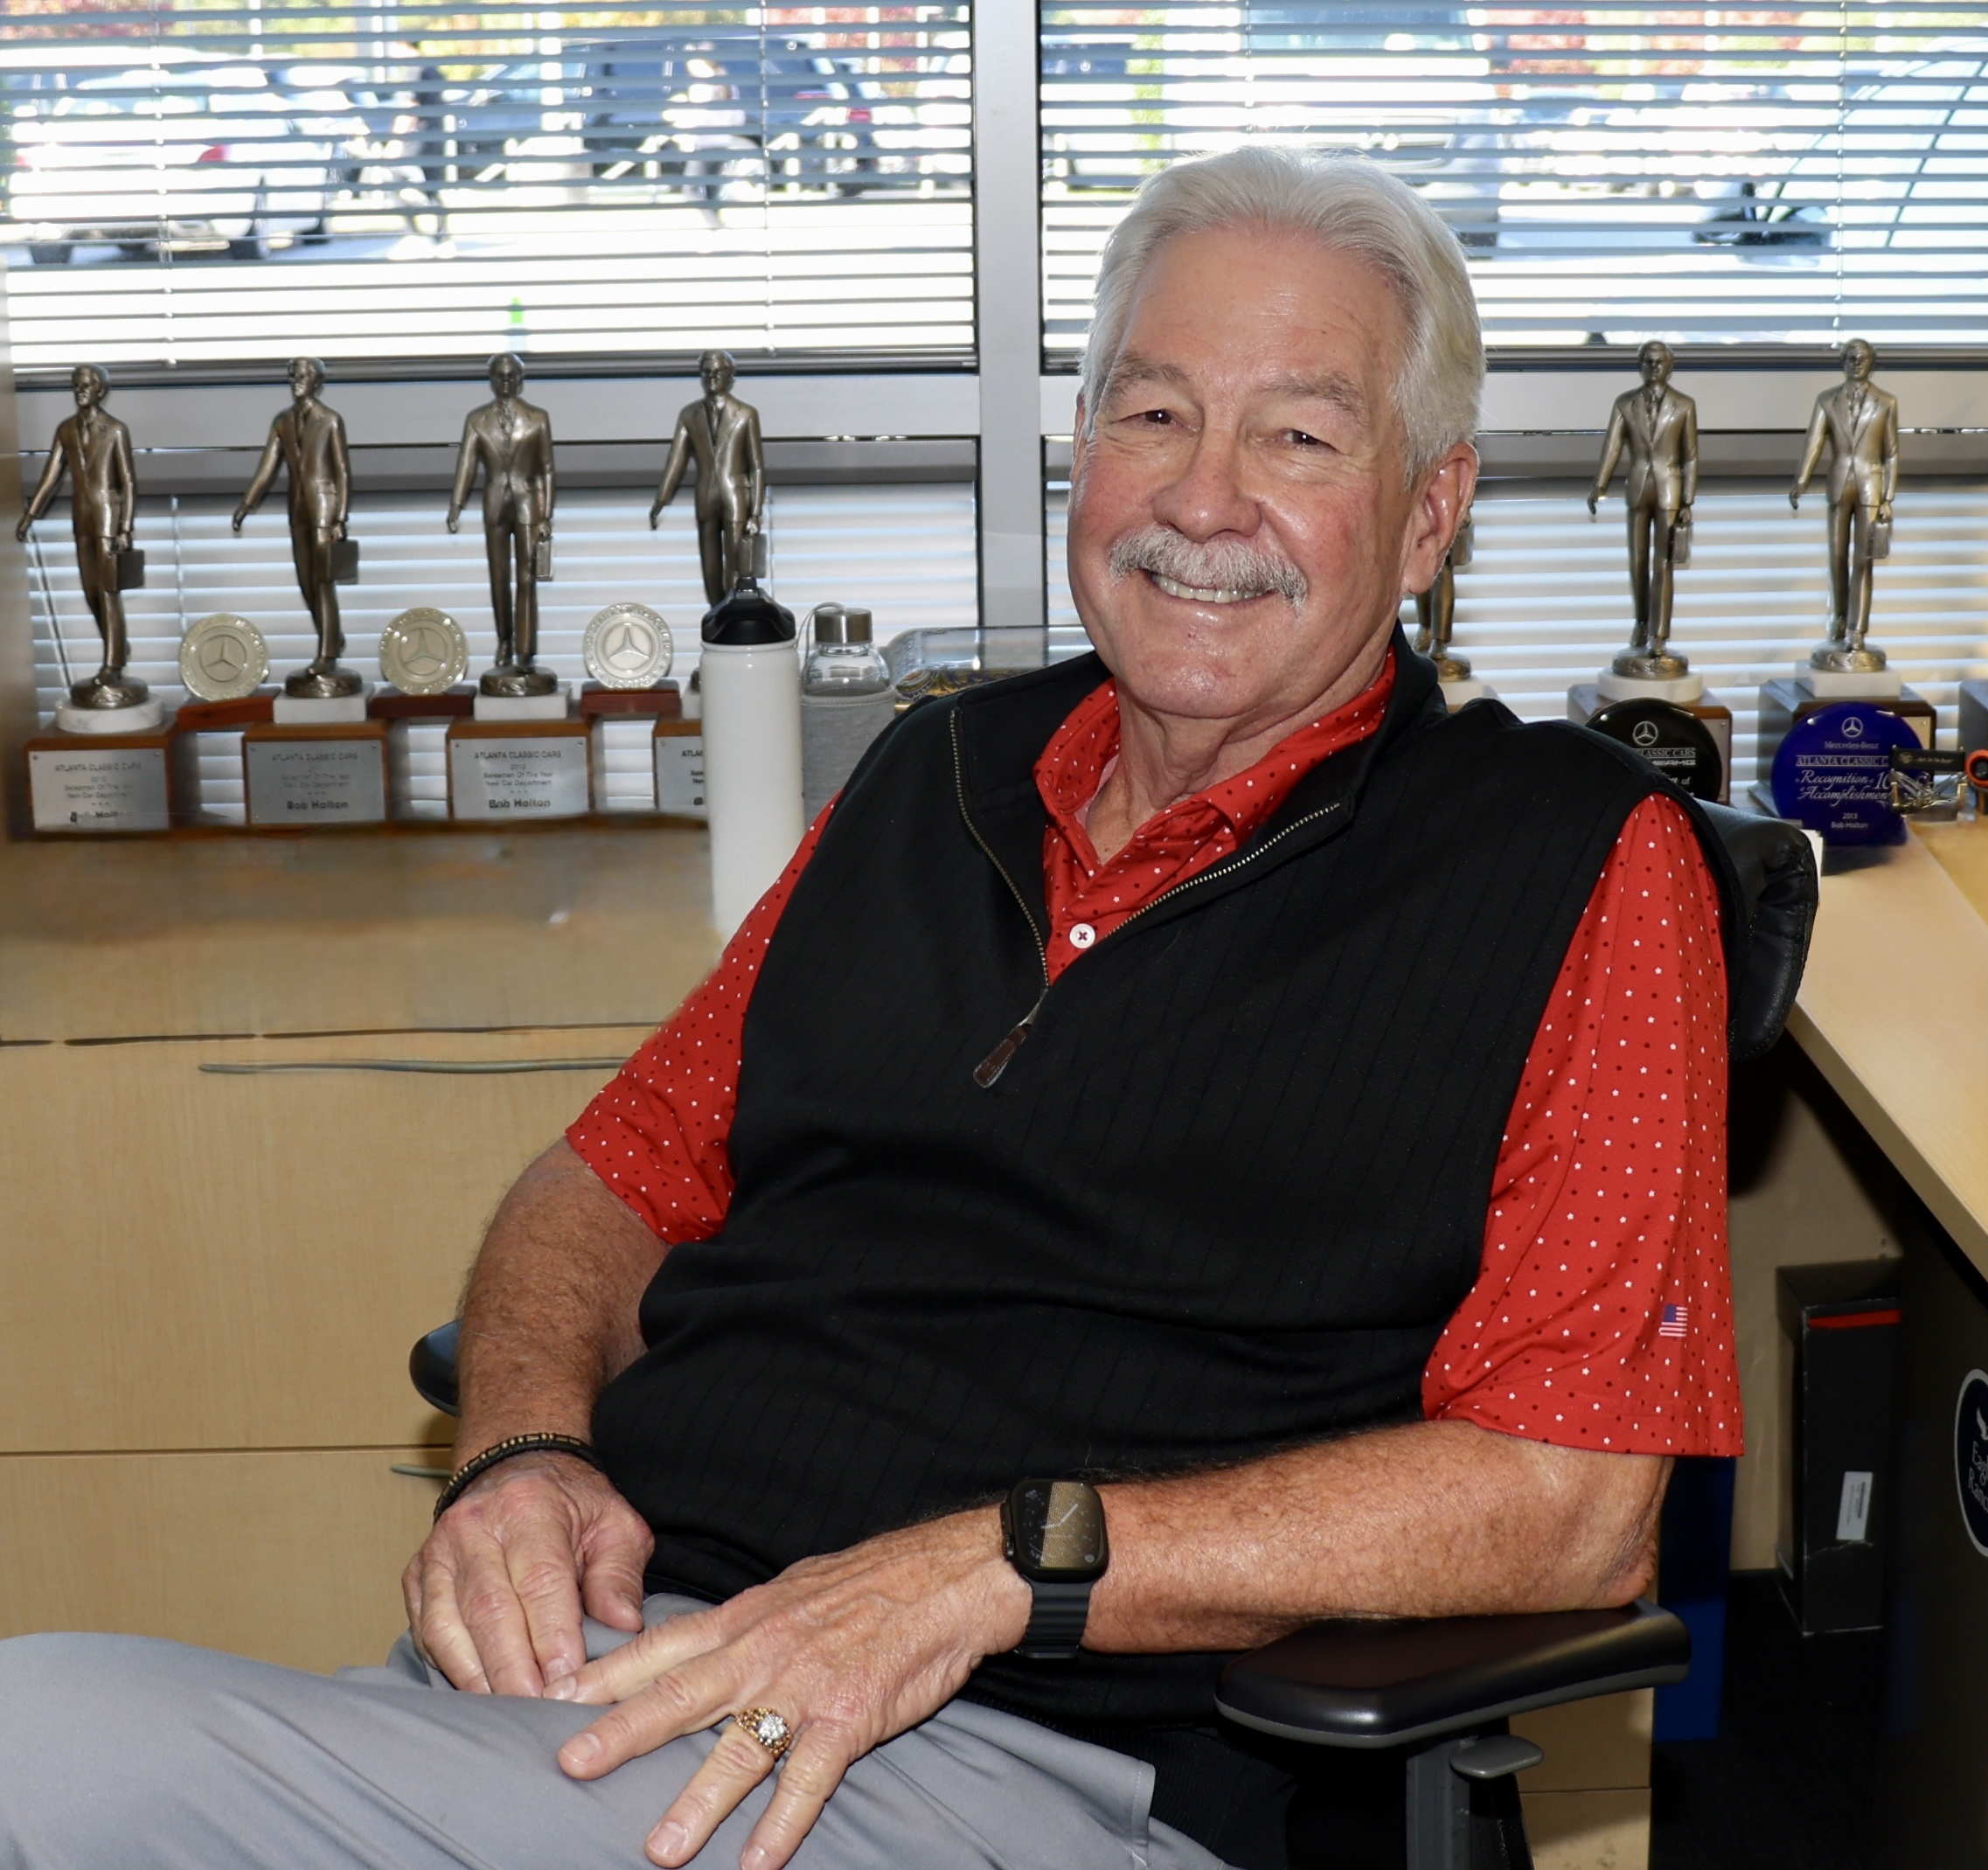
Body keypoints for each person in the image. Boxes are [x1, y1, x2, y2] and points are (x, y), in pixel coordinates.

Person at [0, 149, 1742, 1870]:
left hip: (1024, 1759)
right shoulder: (935, 775)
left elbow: (1573, 1501)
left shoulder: (1571, 861)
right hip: (616, 1678)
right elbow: (607, 1181)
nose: (1204, 499)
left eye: (1298, 437)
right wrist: (524, 1447)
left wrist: (994, 1565)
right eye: (1152, 415)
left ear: (1430, 512)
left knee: (38, 1752)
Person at [17, 360, 142, 711]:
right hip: (81, 519)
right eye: (75, 385)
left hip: (108, 520)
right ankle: (118, 645)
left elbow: (128, 481)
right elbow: (51, 476)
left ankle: (112, 665)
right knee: (90, 592)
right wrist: (30, 515)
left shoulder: (115, 429)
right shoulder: (66, 430)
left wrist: (125, 528)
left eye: (86, 385)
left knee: (108, 592)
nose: (79, 391)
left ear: (100, 389)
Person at [233, 355, 358, 698]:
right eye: (293, 375)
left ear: (317, 381)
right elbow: (268, 466)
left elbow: (342, 471)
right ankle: (332, 636)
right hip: (298, 508)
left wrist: (340, 517)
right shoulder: (283, 421)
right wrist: (247, 503)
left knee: (323, 582)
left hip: (324, 508)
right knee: (306, 581)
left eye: (303, 375)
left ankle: (327, 653)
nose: (296, 380)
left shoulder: (330, 420)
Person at [447, 351, 558, 696]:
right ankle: (504, 641)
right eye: (500, 376)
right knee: (498, 578)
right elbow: (466, 464)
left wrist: (546, 515)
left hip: (528, 504)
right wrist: (456, 505)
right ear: (491, 380)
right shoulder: (477, 420)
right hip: (495, 504)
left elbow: (547, 469)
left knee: (527, 578)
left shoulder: (538, 418)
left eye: (511, 376)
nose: (506, 381)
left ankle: (526, 651)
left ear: (520, 380)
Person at [1588, 339, 1700, 676]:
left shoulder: (1684, 405)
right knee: (1637, 563)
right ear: (1640, 365)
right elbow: (1612, 446)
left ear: (1670, 366)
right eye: (1648, 361)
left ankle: (1659, 636)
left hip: (1669, 490)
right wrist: (1600, 484)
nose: (1654, 367)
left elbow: (1690, 457)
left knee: (1663, 564)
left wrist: (1687, 500)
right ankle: (1640, 624)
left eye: (1660, 361)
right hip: (1637, 488)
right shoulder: (1625, 403)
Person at [1790, 338, 1901, 670]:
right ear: (1843, 361)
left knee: (1863, 560)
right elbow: (1813, 441)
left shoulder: (1886, 401)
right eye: (1851, 357)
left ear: (1872, 362)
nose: (1857, 363)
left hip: (1871, 486)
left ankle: (1857, 630)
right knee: (1837, 557)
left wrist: (1888, 497)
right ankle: (1839, 620)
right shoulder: (1827, 400)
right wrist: (1801, 480)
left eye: (1862, 358)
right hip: (1839, 484)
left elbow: (1891, 453)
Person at [651, 349, 767, 605]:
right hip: (706, 497)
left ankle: (733, 612)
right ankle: (717, 615)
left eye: (717, 372)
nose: (712, 377)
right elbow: (676, 462)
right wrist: (661, 499)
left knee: (736, 565)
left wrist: (756, 513)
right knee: (710, 568)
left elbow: (756, 467)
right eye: (706, 372)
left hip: (736, 497)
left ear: (730, 376)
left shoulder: (746, 414)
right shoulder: (689, 415)